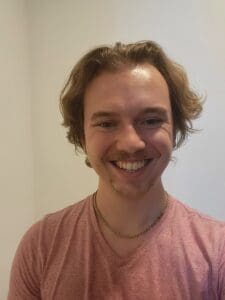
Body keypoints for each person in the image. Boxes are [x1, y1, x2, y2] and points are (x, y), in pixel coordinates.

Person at [8, 41, 225, 300]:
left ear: (175, 127)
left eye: (151, 120)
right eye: (107, 123)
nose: (131, 143)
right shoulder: (41, 246)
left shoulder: (217, 252)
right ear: (81, 135)